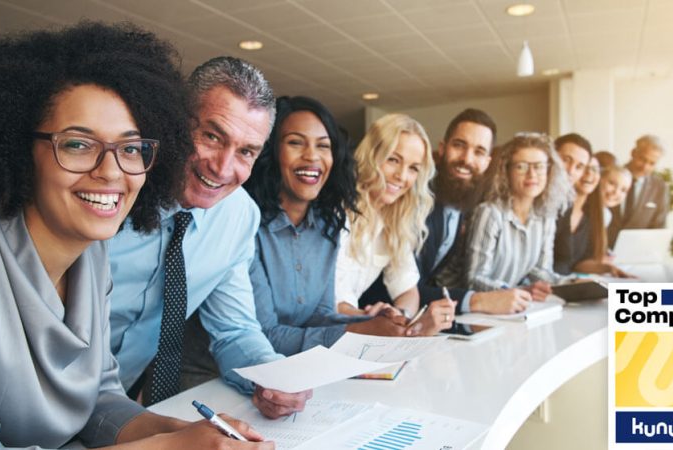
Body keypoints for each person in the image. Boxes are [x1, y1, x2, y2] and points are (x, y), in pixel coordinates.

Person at [0, 22, 269, 449]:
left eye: (131, 148)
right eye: (78, 144)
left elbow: (96, 399)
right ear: (16, 146)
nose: (111, 172)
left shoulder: (90, 256)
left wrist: (176, 432)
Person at [108, 56, 310, 418]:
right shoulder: (110, 191)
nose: (222, 168)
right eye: (213, 136)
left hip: (113, 412)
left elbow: (234, 330)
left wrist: (271, 375)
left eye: (246, 151)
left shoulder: (238, 216)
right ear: (176, 121)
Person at [243, 96, 410, 355]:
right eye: (296, 143)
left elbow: (319, 315)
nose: (312, 156)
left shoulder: (326, 227)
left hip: (292, 372)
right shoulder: (248, 226)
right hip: (223, 377)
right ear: (272, 151)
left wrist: (373, 322)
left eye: (323, 146)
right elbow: (264, 334)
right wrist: (354, 332)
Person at [359, 109, 532, 315]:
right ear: (442, 148)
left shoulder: (462, 204)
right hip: (367, 314)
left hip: (404, 317)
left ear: (487, 161)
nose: (466, 159)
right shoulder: (408, 200)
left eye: (478, 152)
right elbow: (397, 287)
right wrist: (477, 300)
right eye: (459, 146)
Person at [335, 114, 454, 334]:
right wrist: (376, 318)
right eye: (393, 160)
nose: (402, 176)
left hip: (353, 333)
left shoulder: (394, 220)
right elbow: (329, 303)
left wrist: (402, 315)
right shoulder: (336, 211)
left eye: (413, 168)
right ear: (372, 155)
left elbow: (408, 291)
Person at [436, 133, 573, 300]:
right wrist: (515, 292)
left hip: (508, 306)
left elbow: (540, 271)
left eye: (539, 166)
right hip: (463, 307)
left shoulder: (546, 217)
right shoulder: (489, 213)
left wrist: (571, 283)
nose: (532, 174)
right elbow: (474, 279)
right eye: (521, 166)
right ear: (506, 171)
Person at [608, 135, 670, 246]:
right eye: (642, 159)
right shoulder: (609, 176)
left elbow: (658, 227)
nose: (645, 167)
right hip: (602, 250)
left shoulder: (659, 187)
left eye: (652, 163)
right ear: (633, 153)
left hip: (637, 253)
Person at [552, 133, 593, 274]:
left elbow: (563, 259)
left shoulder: (566, 203)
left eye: (579, 167)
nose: (570, 171)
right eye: (566, 160)